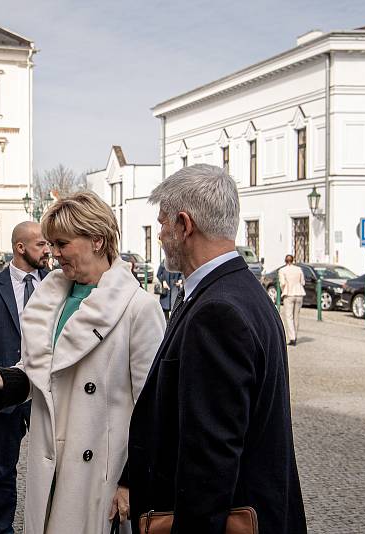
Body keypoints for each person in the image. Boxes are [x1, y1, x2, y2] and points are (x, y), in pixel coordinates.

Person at [0, 191, 166, 534]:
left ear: (96, 240)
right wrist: (1, 380)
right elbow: (40, 375)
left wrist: (130, 482)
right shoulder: (52, 299)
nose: (54, 252)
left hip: (100, 475)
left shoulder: (139, 308)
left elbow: (153, 407)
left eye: (62, 243)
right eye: (51, 243)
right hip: (50, 462)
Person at [123, 164, 306, 534]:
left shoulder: (217, 311)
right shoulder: (242, 291)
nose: (159, 235)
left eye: (162, 224)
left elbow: (210, 459)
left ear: (184, 225)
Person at [0, 221, 50, 534]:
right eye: (41, 245)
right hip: (3, 393)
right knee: (4, 469)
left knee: (51, 464)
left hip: (45, 393)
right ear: (20, 248)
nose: (47, 251)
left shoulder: (56, 285)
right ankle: (2, 529)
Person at [279, 254, 305, 346]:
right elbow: (303, 282)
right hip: (299, 293)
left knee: (289, 316)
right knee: (296, 316)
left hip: (289, 293)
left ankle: (292, 337)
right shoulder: (298, 269)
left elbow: (282, 283)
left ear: (285, 261)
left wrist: (283, 291)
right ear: (293, 260)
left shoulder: (283, 270)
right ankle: (296, 335)